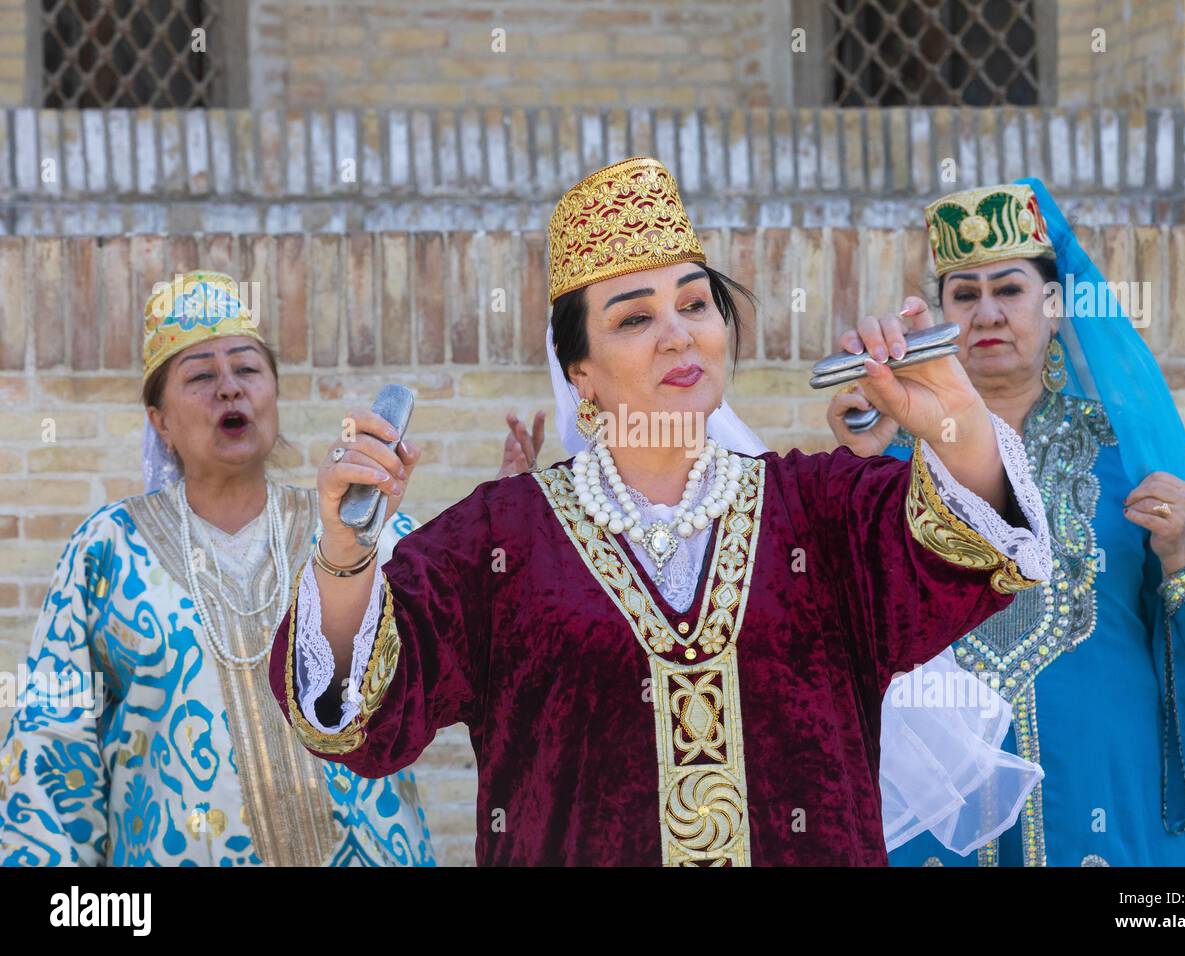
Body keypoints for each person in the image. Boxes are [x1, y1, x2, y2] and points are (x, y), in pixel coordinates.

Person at [269, 156, 1054, 866]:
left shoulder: (821, 514)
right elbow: (357, 720)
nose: (678, 334)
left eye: (695, 304)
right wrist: (345, 551)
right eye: (635, 317)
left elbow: (981, 554)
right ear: (580, 372)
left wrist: (952, 415)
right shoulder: (500, 540)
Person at [829, 182, 1185, 866]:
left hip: (1104, 779)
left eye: (1009, 290)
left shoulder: (1122, 453)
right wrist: (862, 464)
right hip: (941, 802)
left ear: (1054, 304)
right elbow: (838, 622)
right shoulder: (894, 453)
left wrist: (1180, 550)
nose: (987, 314)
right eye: (964, 295)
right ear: (939, 315)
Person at [0, 271, 435, 867]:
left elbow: (456, 659)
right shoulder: (106, 550)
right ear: (160, 421)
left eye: (249, 370)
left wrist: (517, 523)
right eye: (201, 376)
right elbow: (53, 751)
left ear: (274, 394)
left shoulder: (360, 530)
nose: (230, 389)